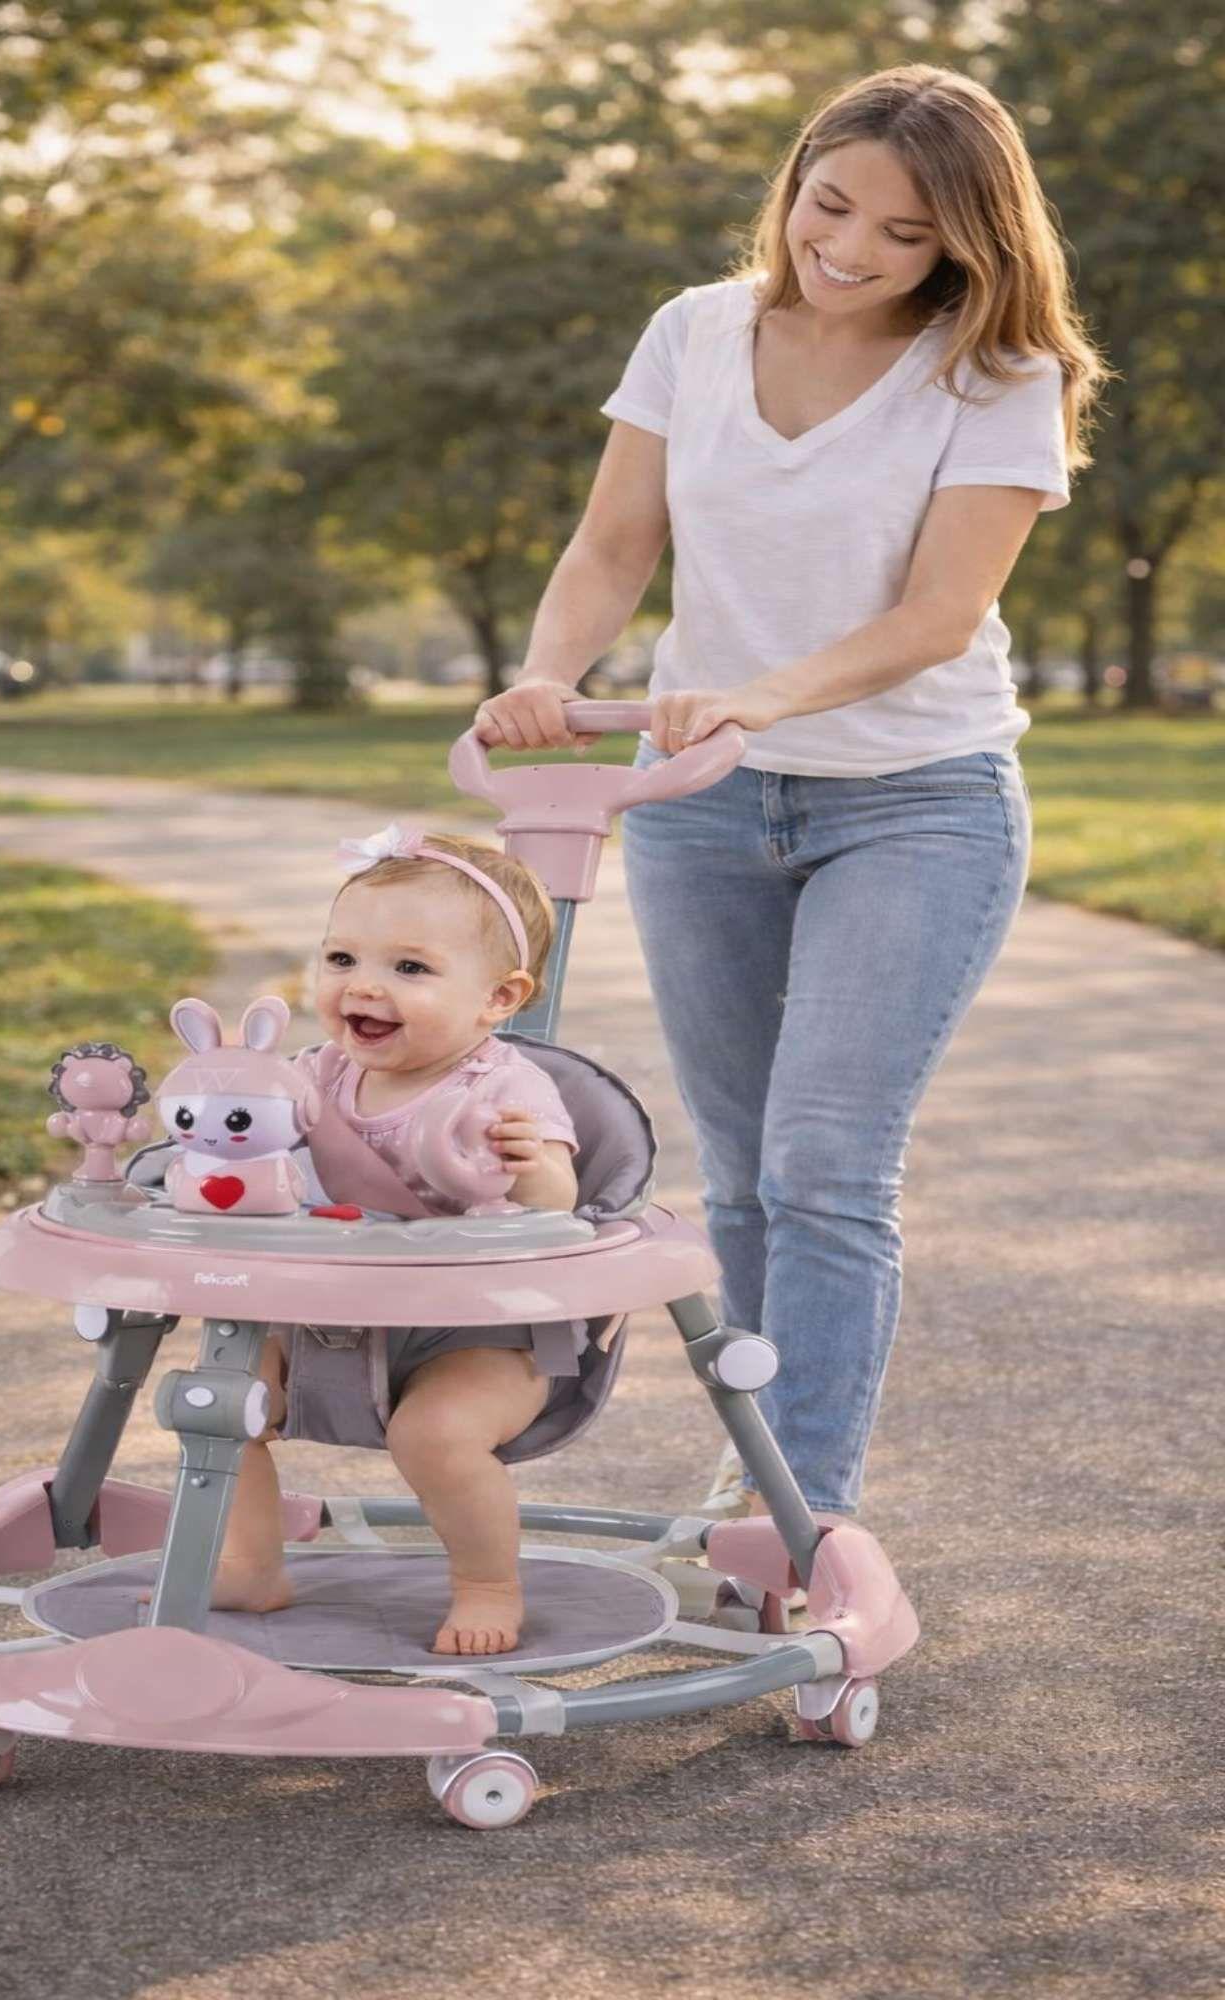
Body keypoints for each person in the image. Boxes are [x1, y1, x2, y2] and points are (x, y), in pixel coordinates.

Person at [472, 64, 1108, 1524]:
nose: (853, 248)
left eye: (905, 231)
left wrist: (758, 693)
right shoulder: (695, 331)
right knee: (746, 1176)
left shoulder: (996, 377)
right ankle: (754, 1467)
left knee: (827, 1165)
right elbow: (613, 542)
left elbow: (941, 615)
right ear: (796, 179)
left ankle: (798, 1511)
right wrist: (546, 679)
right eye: (833, 205)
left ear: (964, 243)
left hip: (915, 802)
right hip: (699, 805)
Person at [211, 828, 581, 1656]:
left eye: (409, 969)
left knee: (435, 1436)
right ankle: (248, 1561)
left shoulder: (507, 1088)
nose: (362, 988)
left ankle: (488, 1582)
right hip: (325, 1316)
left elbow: (563, 1201)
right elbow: (246, 1145)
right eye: (342, 959)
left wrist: (529, 1169)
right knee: (218, 1398)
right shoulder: (315, 1075)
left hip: (477, 1329)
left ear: (499, 998)